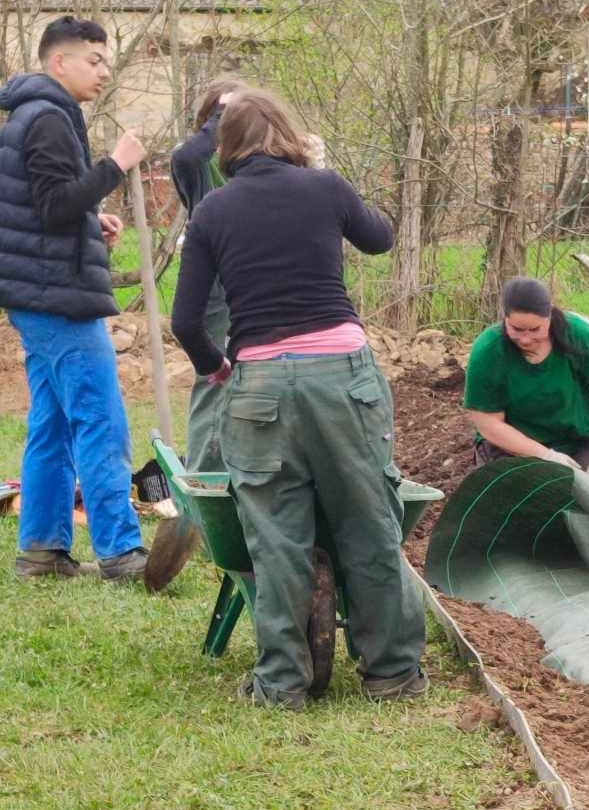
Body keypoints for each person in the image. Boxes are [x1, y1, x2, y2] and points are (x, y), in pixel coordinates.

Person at [171, 89, 426, 708]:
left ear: (225, 148)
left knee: (275, 537)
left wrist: (219, 368)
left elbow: (186, 323)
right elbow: (381, 239)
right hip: (342, 378)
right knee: (367, 522)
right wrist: (324, 174)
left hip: (258, 386)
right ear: (289, 135)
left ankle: (282, 683)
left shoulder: (212, 211)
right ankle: (391, 673)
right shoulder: (325, 188)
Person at [0, 16, 150, 581]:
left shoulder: (37, 115)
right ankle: (120, 552)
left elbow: (52, 208)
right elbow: (56, 205)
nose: (105, 71)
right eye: (95, 59)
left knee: (53, 422)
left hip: (41, 291)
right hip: (57, 299)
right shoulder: (47, 120)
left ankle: (40, 550)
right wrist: (116, 165)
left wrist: (93, 222)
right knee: (99, 418)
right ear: (58, 62)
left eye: (107, 60)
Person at [464, 277, 589, 484]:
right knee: (527, 503)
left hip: (578, 441)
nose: (525, 339)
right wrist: (546, 456)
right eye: (516, 329)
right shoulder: (489, 350)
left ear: (549, 317)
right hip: (512, 448)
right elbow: (488, 423)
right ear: (505, 318)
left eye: (535, 330)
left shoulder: (579, 336)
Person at [170, 78, 246, 473]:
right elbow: (185, 157)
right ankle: (204, 479)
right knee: (215, 385)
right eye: (226, 117)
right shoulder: (198, 168)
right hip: (214, 294)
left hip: (251, 292)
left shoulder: (245, 166)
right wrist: (222, 111)